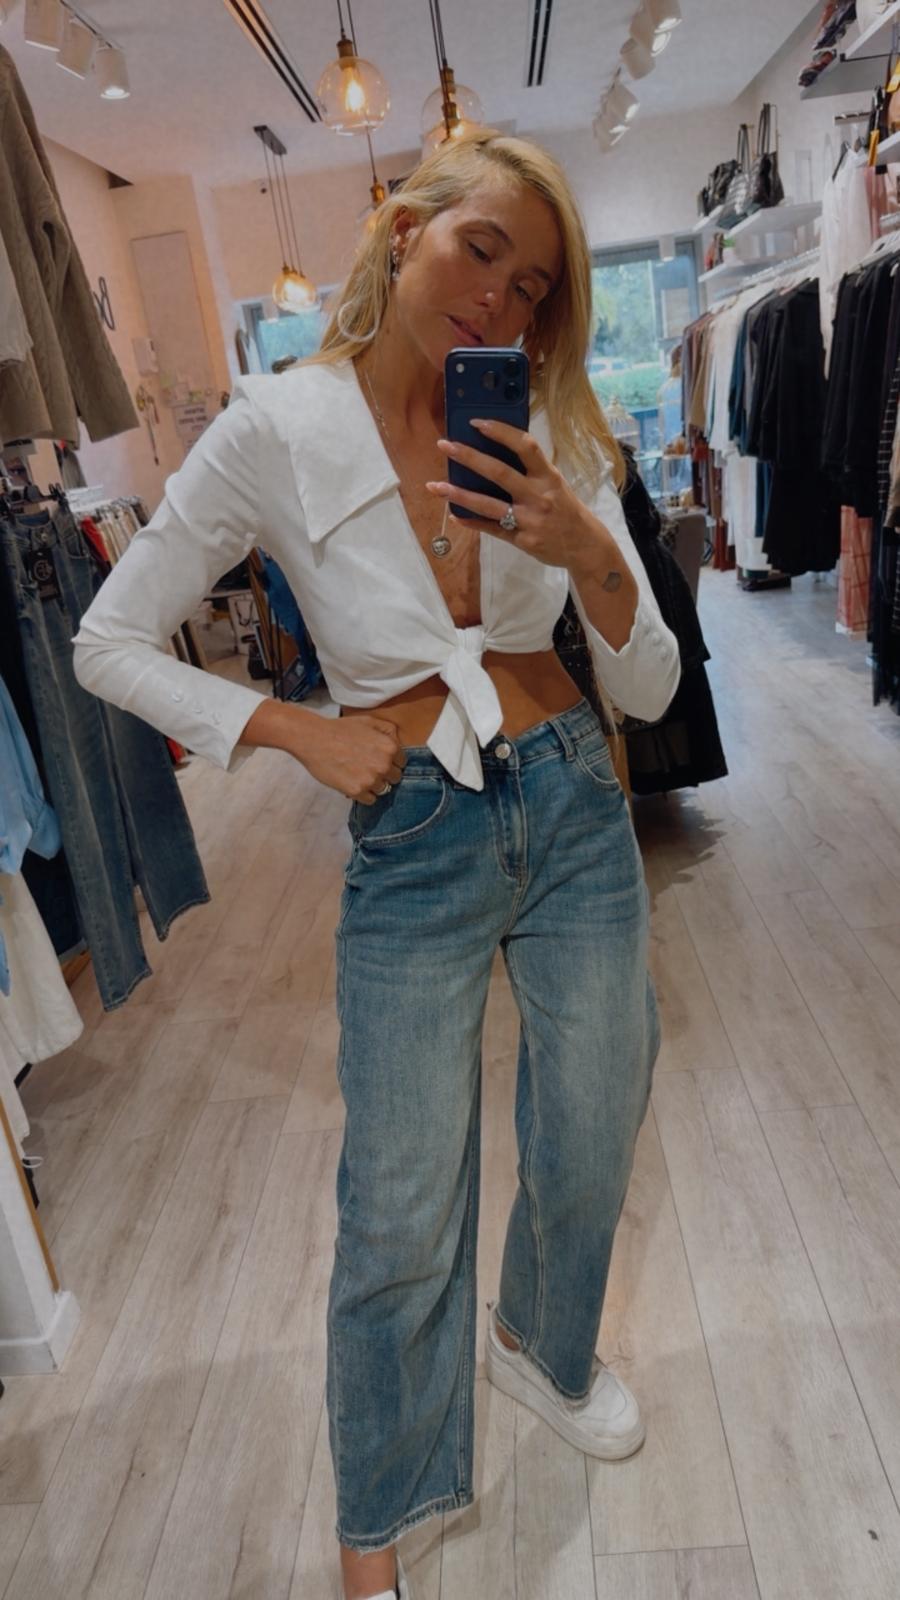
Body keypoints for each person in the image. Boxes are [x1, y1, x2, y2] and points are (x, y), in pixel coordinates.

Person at [72, 131, 680, 1600]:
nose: (498, 302)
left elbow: (651, 683)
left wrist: (584, 546)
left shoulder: (552, 424)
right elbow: (106, 640)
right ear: (404, 229)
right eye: (481, 251)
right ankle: (375, 1527)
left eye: (532, 289)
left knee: (594, 1124)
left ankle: (540, 1340)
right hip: (413, 830)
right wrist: (290, 729)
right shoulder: (277, 428)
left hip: (573, 803)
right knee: (401, 1199)